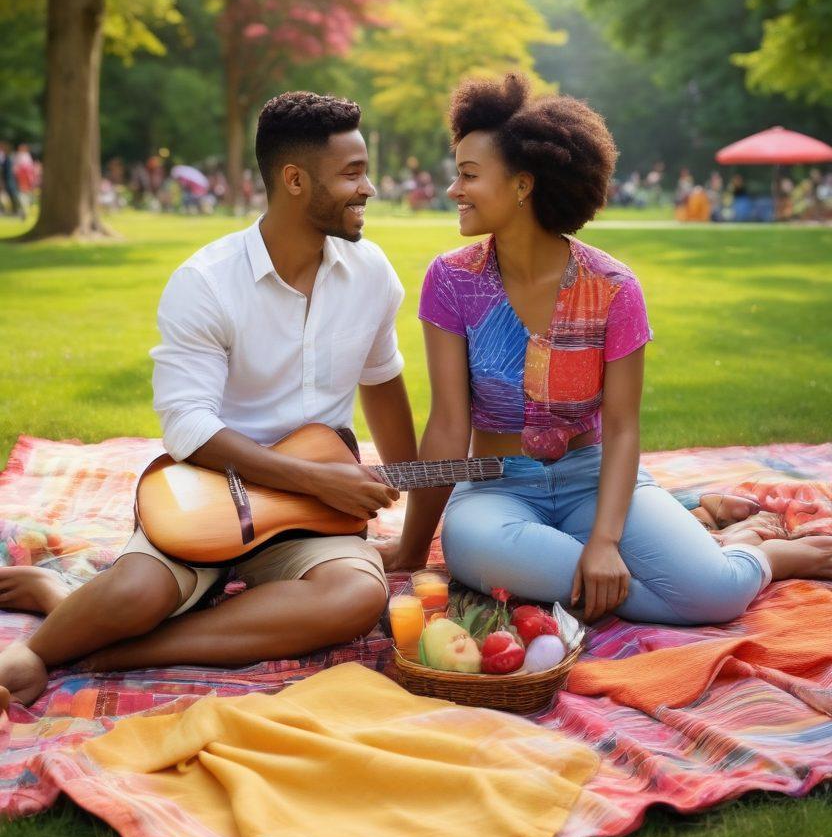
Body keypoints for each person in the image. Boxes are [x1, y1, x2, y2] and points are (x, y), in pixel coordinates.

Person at [0, 91, 418, 709]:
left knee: (356, 596)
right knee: (133, 596)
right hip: (206, 490)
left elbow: (382, 380)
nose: (370, 188)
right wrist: (312, 477)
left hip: (316, 517)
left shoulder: (372, 272)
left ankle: (116, 651)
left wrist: (403, 484)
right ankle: (44, 636)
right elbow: (185, 424)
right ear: (295, 179)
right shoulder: (205, 281)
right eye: (352, 173)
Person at [383, 72, 832, 624]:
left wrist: (604, 541)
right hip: (497, 489)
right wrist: (411, 549)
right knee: (474, 549)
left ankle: (763, 556)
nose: (453, 190)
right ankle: (685, 561)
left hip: (591, 480)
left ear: (523, 186)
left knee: (713, 598)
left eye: (469, 176)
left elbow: (622, 428)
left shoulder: (614, 288)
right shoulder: (451, 280)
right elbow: (449, 427)